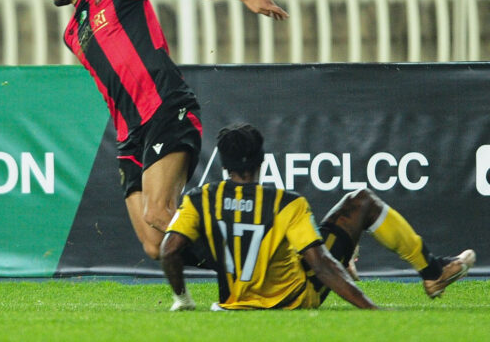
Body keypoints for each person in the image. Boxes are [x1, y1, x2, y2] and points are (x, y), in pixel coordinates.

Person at [37, 0, 288, 260]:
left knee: (158, 212)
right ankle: (192, 295)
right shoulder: (72, 33)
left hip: (164, 109)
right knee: (154, 245)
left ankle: (260, 265)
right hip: (129, 136)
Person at [160, 123, 476, 311]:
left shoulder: (199, 199)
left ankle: (351, 256)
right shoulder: (286, 203)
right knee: (361, 201)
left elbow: (169, 249)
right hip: (294, 299)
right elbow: (320, 265)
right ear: (261, 160)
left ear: (224, 165)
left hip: (232, 302)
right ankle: (431, 271)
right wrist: (372, 309)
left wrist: (183, 298)